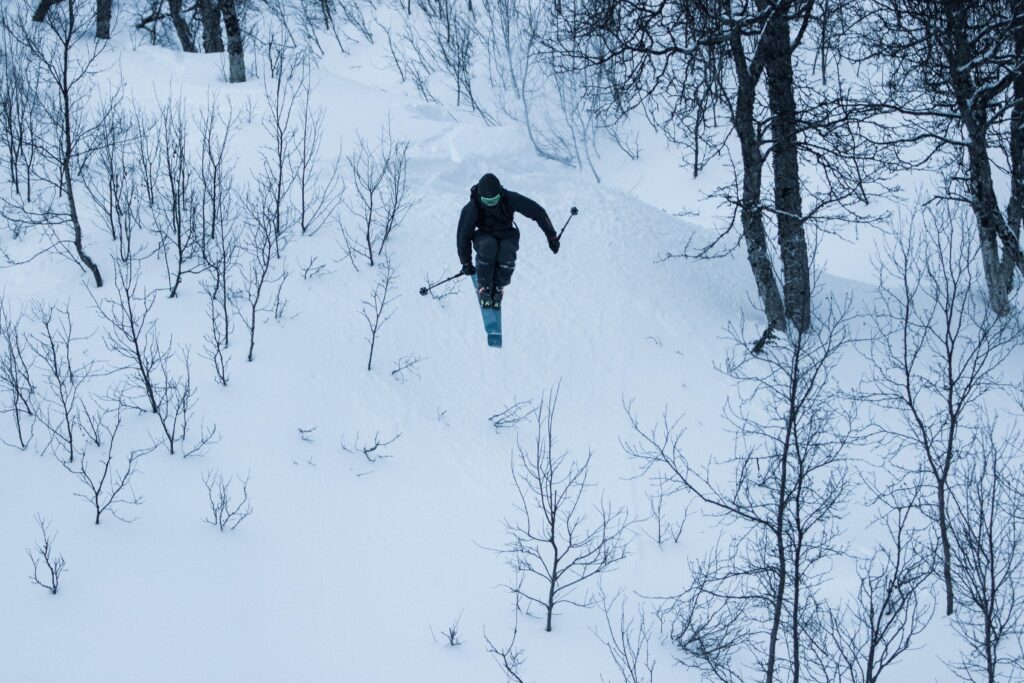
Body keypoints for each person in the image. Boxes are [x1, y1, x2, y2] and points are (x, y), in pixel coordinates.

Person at [456, 173, 560, 308]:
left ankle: (499, 285)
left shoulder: (509, 198)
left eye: (494, 200)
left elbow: (537, 212)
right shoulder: (472, 207)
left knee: (506, 250)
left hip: (507, 235)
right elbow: (463, 236)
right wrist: (466, 262)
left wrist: (551, 236)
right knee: (489, 246)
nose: (491, 204)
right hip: (484, 236)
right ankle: (484, 286)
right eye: (487, 202)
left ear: (500, 193)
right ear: (480, 197)